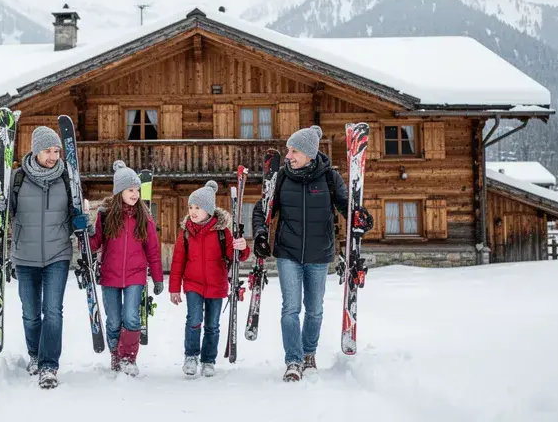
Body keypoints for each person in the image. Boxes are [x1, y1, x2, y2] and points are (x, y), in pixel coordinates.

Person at [251, 125, 371, 382]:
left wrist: (359, 217)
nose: (289, 156)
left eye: (294, 151)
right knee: (290, 309)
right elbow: (261, 210)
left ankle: (309, 354)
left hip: (319, 253)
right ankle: (293, 360)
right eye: (288, 151)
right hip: (288, 253)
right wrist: (261, 234)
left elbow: (346, 208)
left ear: (309, 153)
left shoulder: (329, 178)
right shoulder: (281, 178)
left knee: (314, 309)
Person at [0, 126, 75, 389]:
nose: (53, 156)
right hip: (24, 256)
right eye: (48, 151)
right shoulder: (16, 179)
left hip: (58, 254)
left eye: (56, 151)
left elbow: (75, 216)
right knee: (31, 313)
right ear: (36, 151)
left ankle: (49, 366)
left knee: (53, 312)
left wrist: (83, 222)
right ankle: (35, 355)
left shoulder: (68, 179)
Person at [88, 160, 164, 376]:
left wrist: (158, 278)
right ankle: (115, 355)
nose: (135, 194)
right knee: (113, 320)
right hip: (110, 274)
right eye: (131, 190)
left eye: (137, 190)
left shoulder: (144, 217)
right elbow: (94, 245)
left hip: (135, 275)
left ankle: (128, 359)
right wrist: (86, 232)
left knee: (131, 317)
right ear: (119, 190)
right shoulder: (105, 215)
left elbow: (153, 250)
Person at [168, 180, 249, 377]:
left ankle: (208, 360)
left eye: (198, 207)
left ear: (209, 210)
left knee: (212, 325)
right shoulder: (186, 232)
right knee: (194, 320)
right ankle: (191, 356)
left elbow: (236, 256)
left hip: (216, 284)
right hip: (193, 284)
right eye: (191, 207)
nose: (193, 211)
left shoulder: (223, 232)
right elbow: (178, 261)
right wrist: (174, 288)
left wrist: (242, 247)